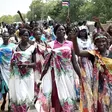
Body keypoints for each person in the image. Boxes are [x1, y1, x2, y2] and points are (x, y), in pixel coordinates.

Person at [36, 24, 81, 112]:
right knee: (58, 97)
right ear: (55, 33)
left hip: (68, 74)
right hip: (56, 76)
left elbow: (74, 62)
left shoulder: (70, 43)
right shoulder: (50, 45)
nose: (61, 31)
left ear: (65, 31)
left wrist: (80, 76)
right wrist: (41, 78)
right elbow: (46, 63)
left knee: (69, 96)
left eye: (63, 29)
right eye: (58, 30)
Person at [72, 31, 112, 112]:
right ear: (95, 43)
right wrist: (74, 39)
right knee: (104, 107)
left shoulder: (111, 53)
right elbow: (78, 52)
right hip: (100, 87)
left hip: (110, 84)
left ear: (107, 42)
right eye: (98, 41)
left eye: (103, 41)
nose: (101, 43)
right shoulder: (93, 54)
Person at [9, 29, 36, 112]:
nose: (26, 37)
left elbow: (34, 63)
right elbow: (12, 62)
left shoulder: (33, 48)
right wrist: (14, 63)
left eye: (27, 35)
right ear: (20, 36)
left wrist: (26, 65)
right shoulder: (15, 48)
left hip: (28, 76)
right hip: (18, 76)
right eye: (24, 35)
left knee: (28, 96)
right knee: (21, 95)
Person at [0, 32, 15, 111]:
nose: (5, 37)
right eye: (4, 36)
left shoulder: (13, 46)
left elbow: (16, 56)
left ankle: (10, 102)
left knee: (11, 86)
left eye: (7, 36)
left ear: (9, 36)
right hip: (2, 69)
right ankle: (4, 100)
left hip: (11, 69)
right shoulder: (0, 47)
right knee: (4, 87)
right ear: (2, 36)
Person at [33, 28, 46, 97]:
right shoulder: (32, 44)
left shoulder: (44, 43)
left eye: (39, 34)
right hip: (36, 64)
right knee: (36, 79)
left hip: (43, 64)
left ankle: (43, 94)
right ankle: (37, 95)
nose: (38, 35)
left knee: (43, 78)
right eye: (36, 34)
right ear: (34, 35)